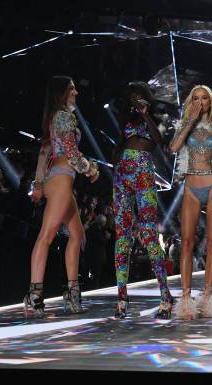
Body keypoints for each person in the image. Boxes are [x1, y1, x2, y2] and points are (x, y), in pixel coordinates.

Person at [27, 76, 99, 318]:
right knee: (46, 236)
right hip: (61, 178)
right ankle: (35, 295)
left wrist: (38, 184)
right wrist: (89, 168)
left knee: (77, 235)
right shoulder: (64, 116)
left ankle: (72, 293)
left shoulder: (55, 117)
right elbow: (71, 152)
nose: (76, 92)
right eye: (71, 89)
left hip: (59, 178)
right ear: (62, 93)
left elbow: (44, 151)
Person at [111, 82, 174, 319]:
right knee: (122, 236)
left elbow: (158, 140)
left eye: (141, 97)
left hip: (144, 173)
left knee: (148, 234)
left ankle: (165, 296)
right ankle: (121, 298)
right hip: (122, 174)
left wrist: (146, 115)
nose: (137, 101)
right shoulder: (125, 119)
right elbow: (121, 142)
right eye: (133, 98)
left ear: (148, 99)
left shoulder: (156, 118)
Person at [169, 85, 212, 320]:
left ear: (210, 102)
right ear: (190, 102)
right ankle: (185, 299)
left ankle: (206, 297)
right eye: (196, 98)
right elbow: (173, 147)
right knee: (186, 242)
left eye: (204, 98)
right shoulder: (184, 125)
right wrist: (189, 120)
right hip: (191, 187)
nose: (200, 102)